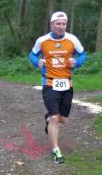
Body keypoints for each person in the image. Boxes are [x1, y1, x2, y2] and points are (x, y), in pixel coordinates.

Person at [28, 11, 87, 164]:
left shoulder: (72, 39)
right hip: (49, 82)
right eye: (58, 24)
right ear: (52, 24)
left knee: (63, 119)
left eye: (64, 24)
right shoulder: (42, 40)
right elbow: (32, 55)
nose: (61, 27)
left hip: (67, 82)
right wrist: (37, 62)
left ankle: (48, 119)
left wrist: (77, 62)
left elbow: (83, 55)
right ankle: (56, 150)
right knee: (55, 117)